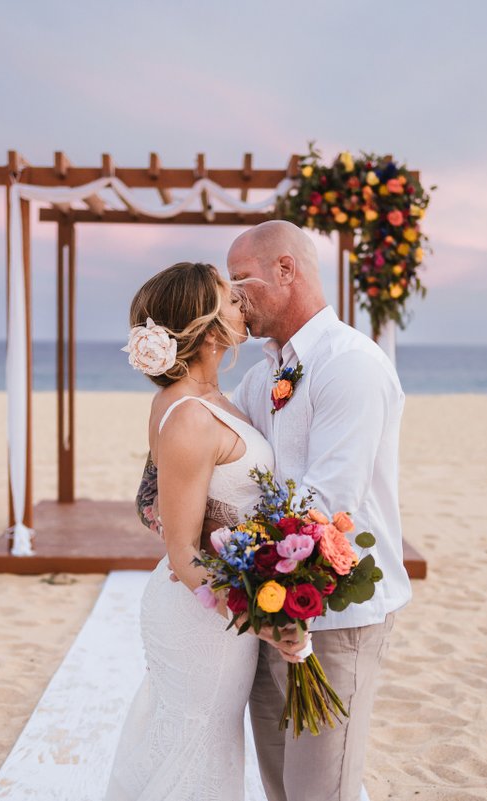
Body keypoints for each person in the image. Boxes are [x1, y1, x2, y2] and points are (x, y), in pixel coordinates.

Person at [226, 221, 411, 801]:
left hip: (338, 615)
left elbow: (330, 502)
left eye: (240, 281)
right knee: (280, 786)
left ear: (286, 269)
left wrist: (270, 577)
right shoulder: (261, 376)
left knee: (321, 790)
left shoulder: (350, 364)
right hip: (269, 609)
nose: (233, 298)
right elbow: (228, 463)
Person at [104, 261, 299, 801]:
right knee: (200, 745)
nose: (243, 303)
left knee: (201, 744)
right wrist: (257, 621)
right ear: (211, 331)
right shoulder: (189, 414)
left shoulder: (206, 398)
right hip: (202, 617)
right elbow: (182, 550)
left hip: (212, 609)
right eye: (231, 300)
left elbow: (156, 504)